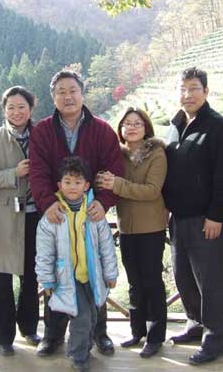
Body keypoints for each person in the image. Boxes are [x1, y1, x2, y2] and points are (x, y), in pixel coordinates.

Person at [30, 70, 124, 356]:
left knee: (92, 269)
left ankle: (101, 333)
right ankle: (53, 335)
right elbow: (37, 171)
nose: (67, 96)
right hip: (56, 212)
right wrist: (47, 203)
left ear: (83, 94)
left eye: (73, 90)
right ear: (53, 96)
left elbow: (114, 170)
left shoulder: (102, 130)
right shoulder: (43, 130)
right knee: (58, 271)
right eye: (61, 91)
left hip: (90, 211)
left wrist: (104, 202)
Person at [162, 67, 223, 365]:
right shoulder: (175, 125)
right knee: (183, 276)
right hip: (178, 218)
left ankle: (216, 338)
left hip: (206, 219)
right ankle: (195, 323)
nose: (188, 94)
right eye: (183, 88)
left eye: (194, 88)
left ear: (206, 92)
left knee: (213, 281)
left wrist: (217, 215)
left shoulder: (219, 127)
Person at [96, 107, 167, 358]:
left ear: (146, 127)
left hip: (152, 227)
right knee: (135, 282)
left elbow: (151, 191)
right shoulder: (119, 154)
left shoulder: (157, 153)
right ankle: (137, 331)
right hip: (127, 227)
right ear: (121, 129)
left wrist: (117, 184)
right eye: (127, 124)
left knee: (152, 281)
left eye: (137, 123)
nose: (132, 127)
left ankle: (155, 335)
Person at [36, 156, 118, 371]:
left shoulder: (94, 212)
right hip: (66, 277)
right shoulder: (52, 216)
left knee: (92, 314)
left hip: (92, 275)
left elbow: (106, 247)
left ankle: (85, 347)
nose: (72, 187)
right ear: (59, 185)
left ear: (87, 185)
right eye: (68, 182)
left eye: (78, 182)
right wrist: (46, 280)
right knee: (81, 317)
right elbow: (44, 253)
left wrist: (110, 274)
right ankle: (78, 356)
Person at [0, 86, 41, 356]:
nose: (17, 112)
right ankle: (3, 337)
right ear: (4, 110)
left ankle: (29, 328)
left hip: (35, 216)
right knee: (1, 277)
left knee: (31, 275)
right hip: (3, 216)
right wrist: (13, 173)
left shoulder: (42, 135)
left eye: (22, 107)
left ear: (31, 109)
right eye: (11, 107)